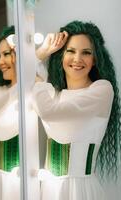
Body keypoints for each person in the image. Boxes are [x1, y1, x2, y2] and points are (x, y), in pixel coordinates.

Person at [32, 20, 121, 200]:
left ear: (95, 59)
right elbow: (24, 78)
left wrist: (39, 83)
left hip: (81, 190)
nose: (77, 59)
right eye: (70, 51)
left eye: (86, 53)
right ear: (61, 55)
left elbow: (48, 111)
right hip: (50, 189)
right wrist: (42, 52)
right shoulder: (52, 93)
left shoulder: (101, 90)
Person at [0, 26, 20, 200]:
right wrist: (24, 81)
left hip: (28, 179)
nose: (0, 62)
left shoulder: (39, 88)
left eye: (7, 54)